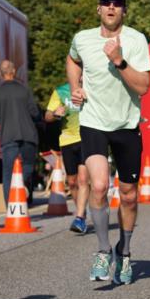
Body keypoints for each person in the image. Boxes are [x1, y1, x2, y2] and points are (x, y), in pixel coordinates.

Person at [67, 0, 150, 285]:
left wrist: (119, 60)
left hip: (127, 125)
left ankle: (124, 251)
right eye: (106, 3)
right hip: (93, 121)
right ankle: (103, 250)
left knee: (128, 196)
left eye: (117, 4)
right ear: (99, 10)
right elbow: (73, 59)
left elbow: (143, 86)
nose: (111, 8)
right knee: (99, 185)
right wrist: (75, 86)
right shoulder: (83, 39)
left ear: (124, 11)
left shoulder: (136, 40)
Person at [0, 60, 41, 210]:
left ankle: (11, 209)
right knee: (28, 166)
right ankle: (23, 186)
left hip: (8, 136)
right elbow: (35, 113)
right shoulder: (24, 90)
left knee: (7, 173)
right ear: (13, 72)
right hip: (28, 135)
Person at [45, 81, 90, 233]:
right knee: (72, 181)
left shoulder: (92, 86)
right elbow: (47, 116)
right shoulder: (60, 91)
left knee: (83, 179)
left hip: (86, 138)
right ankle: (81, 212)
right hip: (67, 139)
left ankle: (79, 218)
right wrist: (55, 114)